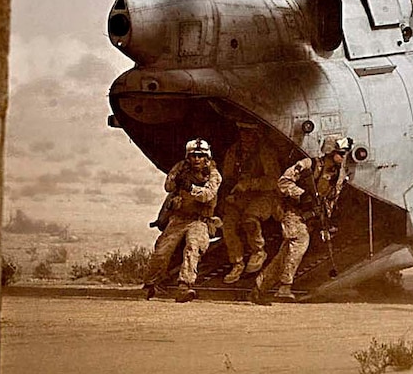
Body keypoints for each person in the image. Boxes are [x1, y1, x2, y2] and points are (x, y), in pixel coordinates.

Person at [249, 135, 350, 303]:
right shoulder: (308, 166)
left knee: (285, 254)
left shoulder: (338, 175)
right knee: (300, 241)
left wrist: (325, 222)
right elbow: (283, 182)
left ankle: (259, 288)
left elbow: (331, 200)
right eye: (340, 153)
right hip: (292, 212)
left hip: (310, 216)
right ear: (330, 151)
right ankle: (285, 287)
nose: (343, 156)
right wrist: (301, 195)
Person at [143, 138, 222, 303]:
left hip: (200, 220)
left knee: (193, 247)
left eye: (201, 156)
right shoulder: (181, 168)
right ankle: (150, 285)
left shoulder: (213, 174)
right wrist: (177, 179)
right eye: (193, 155)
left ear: (207, 157)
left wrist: (190, 188)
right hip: (179, 218)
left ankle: (185, 285)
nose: (197, 159)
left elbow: (208, 195)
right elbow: (168, 186)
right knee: (162, 251)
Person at [219, 128, 284, 284]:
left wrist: (250, 184)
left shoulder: (265, 152)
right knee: (227, 224)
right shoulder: (234, 152)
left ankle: (258, 251)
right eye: (243, 133)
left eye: (249, 134)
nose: (246, 137)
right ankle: (237, 262)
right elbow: (227, 177)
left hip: (265, 194)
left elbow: (274, 180)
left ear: (257, 134)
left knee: (250, 219)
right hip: (241, 195)